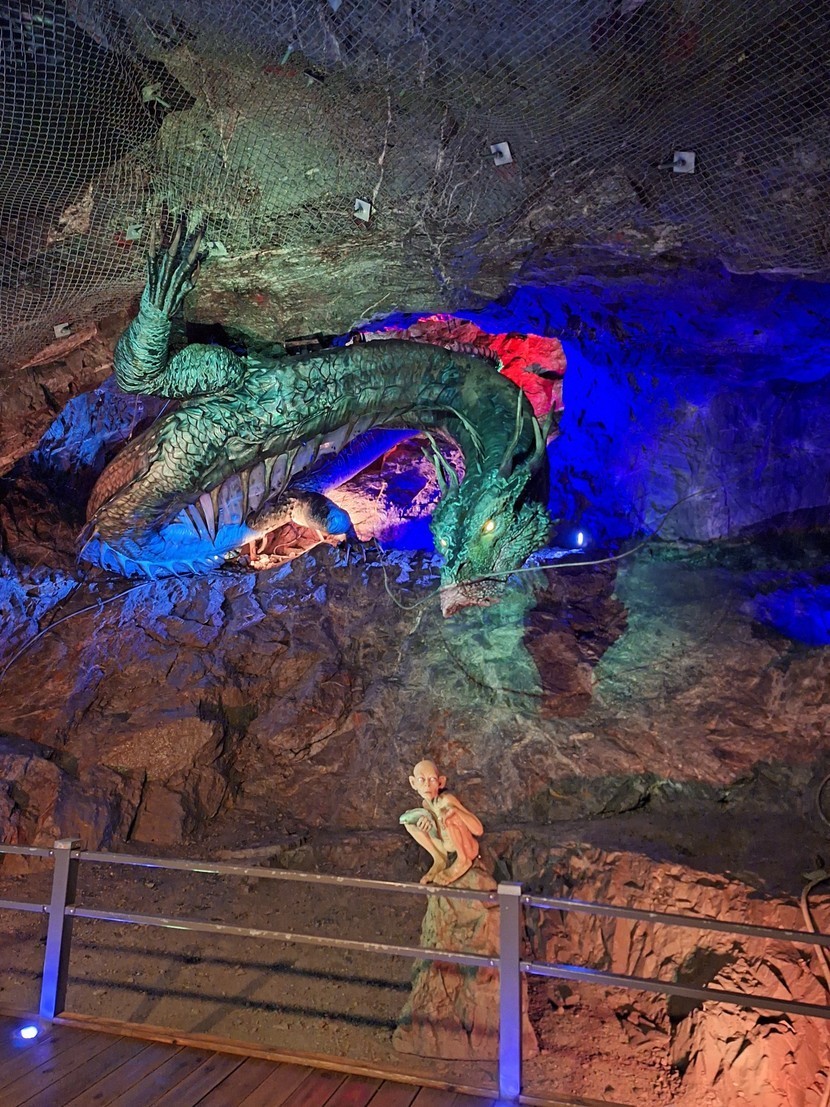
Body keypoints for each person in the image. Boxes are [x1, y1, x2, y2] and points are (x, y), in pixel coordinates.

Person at [400, 759, 484, 885]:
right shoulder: (426, 805)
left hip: (466, 849)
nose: (427, 785)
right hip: (446, 848)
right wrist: (426, 824)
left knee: (449, 815)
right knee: (410, 821)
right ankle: (439, 859)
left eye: (432, 779)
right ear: (413, 783)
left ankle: (463, 861)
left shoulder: (446, 800)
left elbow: (478, 830)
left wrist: (455, 811)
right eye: (421, 780)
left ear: (441, 782)